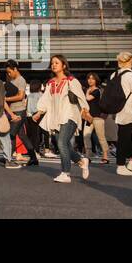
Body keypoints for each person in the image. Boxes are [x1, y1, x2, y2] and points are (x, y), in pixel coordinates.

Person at [32, 55, 91, 184]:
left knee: (61, 143)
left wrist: (85, 110)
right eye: (52, 63)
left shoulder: (71, 81)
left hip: (70, 115)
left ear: (64, 65)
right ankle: (81, 160)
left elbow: (81, 97)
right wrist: (39, 112)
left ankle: (66, 173)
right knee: (63, 144)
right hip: (56, 117)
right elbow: (46, 99)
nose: (53, 65)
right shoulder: (50, 83)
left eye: (57, 63)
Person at [3, 60, 37, 169]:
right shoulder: (12, 80)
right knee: (22, 135)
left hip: (20, 111)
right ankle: (33, 158)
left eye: (10, 72)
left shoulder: (21, 80)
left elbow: (21, 96)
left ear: (15, 69)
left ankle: (7, 158)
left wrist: (6, 99)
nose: (9, 74)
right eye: (7, 72)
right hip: (14, 110)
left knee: (11, 134)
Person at [82, 71, 110, 164]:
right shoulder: (88, 90)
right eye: (89, 78)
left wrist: (87, 91)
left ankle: (105, 157)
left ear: (96, 80)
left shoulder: (97, 90)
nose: (90, 80)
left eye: (92, 78)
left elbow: (88, 98)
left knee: (101, 137)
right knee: (86, 136)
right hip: (88, 117)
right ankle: (88, 156)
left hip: (97, 117)